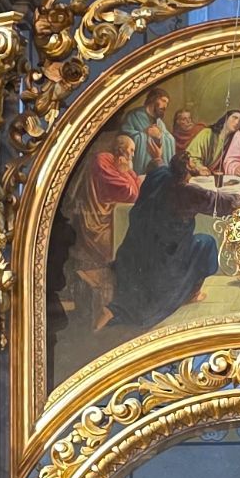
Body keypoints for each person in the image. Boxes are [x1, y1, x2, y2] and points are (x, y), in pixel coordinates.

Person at [110, 147, 240, 329]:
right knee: (207, 243)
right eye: (192, 164)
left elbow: (158, 167)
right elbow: (216, 202)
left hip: (141, 252)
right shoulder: (186, 193)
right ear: (187, 171)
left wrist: (158, 157)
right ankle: (191, 294)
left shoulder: (159, 178)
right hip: (167, 259)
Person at [66, 133, 144, 333]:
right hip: (96, 226)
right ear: (121, 149)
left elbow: (134, 183)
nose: (132, 155)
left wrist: (130, 174)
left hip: (106, 219)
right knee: (131, 247)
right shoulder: (102, 162)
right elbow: (131, 193)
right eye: (131, 150)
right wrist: (129, 174)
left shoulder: (114, 163)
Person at [118, 87, 175, 175]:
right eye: (163, 101)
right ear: (153, 99)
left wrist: (160, 136)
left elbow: (170, 139)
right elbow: (124, 138)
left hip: (156, 167)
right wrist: (145, 134)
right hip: (140, 169)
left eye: (167, 103)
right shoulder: (134, 116)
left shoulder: (159, 122)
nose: (165, 106)